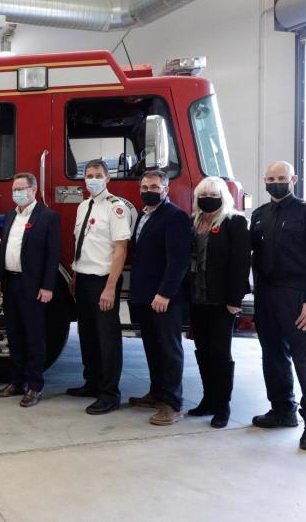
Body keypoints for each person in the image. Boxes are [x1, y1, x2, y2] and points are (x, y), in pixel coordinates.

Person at [250, 161, 306, 452]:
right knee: (272, 355)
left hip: (299, 294)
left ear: (294, 179)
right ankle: (282, 411)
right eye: (271, 178)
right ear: (264, 181)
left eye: (281, 178)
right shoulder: (260, 215)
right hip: (266, 294)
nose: (276, 182)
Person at [67, 160, 136, 415]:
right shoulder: (84, 206)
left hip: (103, 281)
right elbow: (82, 244)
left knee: (107, 338)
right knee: (87, 334)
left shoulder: (115, 208)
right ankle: (92, 382)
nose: (92, 179)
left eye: (98, 175)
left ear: (108, 178)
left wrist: (109, 288)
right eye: (88, 175)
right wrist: (75, 275)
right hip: (83, 278)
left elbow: (120, 251)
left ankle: (110, 393)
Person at [128, 170, 192, 426]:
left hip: (164, 298)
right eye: (145, 186)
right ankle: (156, 393)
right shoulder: (143, 214)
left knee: (169, 350)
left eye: (154, 186)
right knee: (152, 348)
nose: (148, 190)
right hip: (144, 296)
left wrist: (165, 293)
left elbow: (179, 261)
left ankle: (172, 404)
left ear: (165, 189)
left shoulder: (175, 217)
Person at [0, 172, 60, 408]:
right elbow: (5, 249)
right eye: (14, 189)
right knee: (15, 336)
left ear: (33, 190)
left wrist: (48, 286)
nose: (16, 193)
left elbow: (53, 255)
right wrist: (0, 279)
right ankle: (16, 381)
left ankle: (34, 386)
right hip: (10, 284)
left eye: (21, 189)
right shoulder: (11, 214)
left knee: (34, 338)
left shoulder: (48, 216)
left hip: (32, 286)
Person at [187, 176, 250, 428]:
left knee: (220, 354)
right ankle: (208, 400)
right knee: (202, 352)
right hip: (196, 298)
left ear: (223, 196)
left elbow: (241, 263)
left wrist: (235, 300)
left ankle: (222, 407)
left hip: (222, 301)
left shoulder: (234, 221)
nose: (207, 198)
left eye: (213, 193)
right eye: (203, 194)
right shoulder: (194, 221)